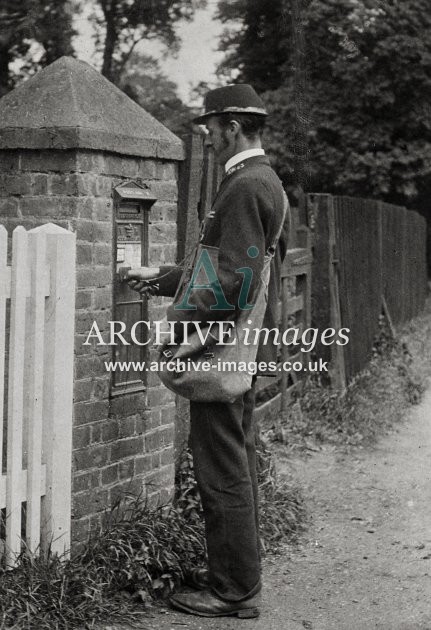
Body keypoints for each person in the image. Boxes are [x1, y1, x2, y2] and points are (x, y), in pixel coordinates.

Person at [126, 84, 290, 618]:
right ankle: (234, 574)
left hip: (220, 351)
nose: (208, 135)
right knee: (234, 461)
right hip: (243, 349)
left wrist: (181, 328)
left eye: (212, 127)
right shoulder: (266, 182)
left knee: (220, 469)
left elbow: (232, 281)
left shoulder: (244, 186)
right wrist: (165, 276)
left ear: (233, 127)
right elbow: (224, 266)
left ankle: (233, 592)